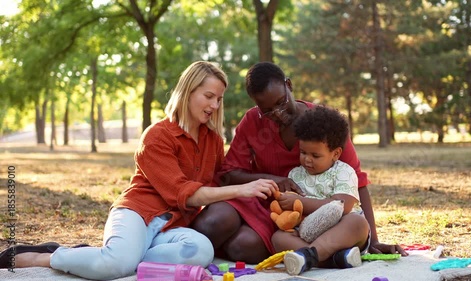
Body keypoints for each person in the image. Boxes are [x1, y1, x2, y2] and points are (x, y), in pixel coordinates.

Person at [0, 61, 278, 280]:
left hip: (173, 227)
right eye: (209, 96)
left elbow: (219, 180)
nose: (215, 106)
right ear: (188, 91)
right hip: (137, 214)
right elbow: (184, 193)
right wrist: (243, 189)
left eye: (219, 99)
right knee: (114, 267)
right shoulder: (157, 136)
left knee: (202, 251)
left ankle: (118, 254)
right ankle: (48, 257)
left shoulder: (213, 141)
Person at [191, 61, 407, 264]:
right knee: (213, 223)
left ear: (289, 85)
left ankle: (314, 255)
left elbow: (358, 183)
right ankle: (330, 256)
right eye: (266, 111)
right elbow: (228, 174)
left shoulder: (325, 123)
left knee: (242, 247)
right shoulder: (252, 122)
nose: (278, 114)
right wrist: (271, 180)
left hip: (311, 213)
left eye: (280, 103)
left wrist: (374, 240)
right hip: (271, 208)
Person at [273, 106, 368, 275]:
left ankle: (309, 256)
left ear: (336, 153)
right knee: (278, 238)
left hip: (340, 234)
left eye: (315, 156)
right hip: (306, 233)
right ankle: (335, 259)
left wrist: (301, 202)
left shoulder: (343, 172)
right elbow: (292, 213)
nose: (307, 160)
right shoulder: (295, 174)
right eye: (302, 152)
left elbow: (342, 206)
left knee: (358, 223)